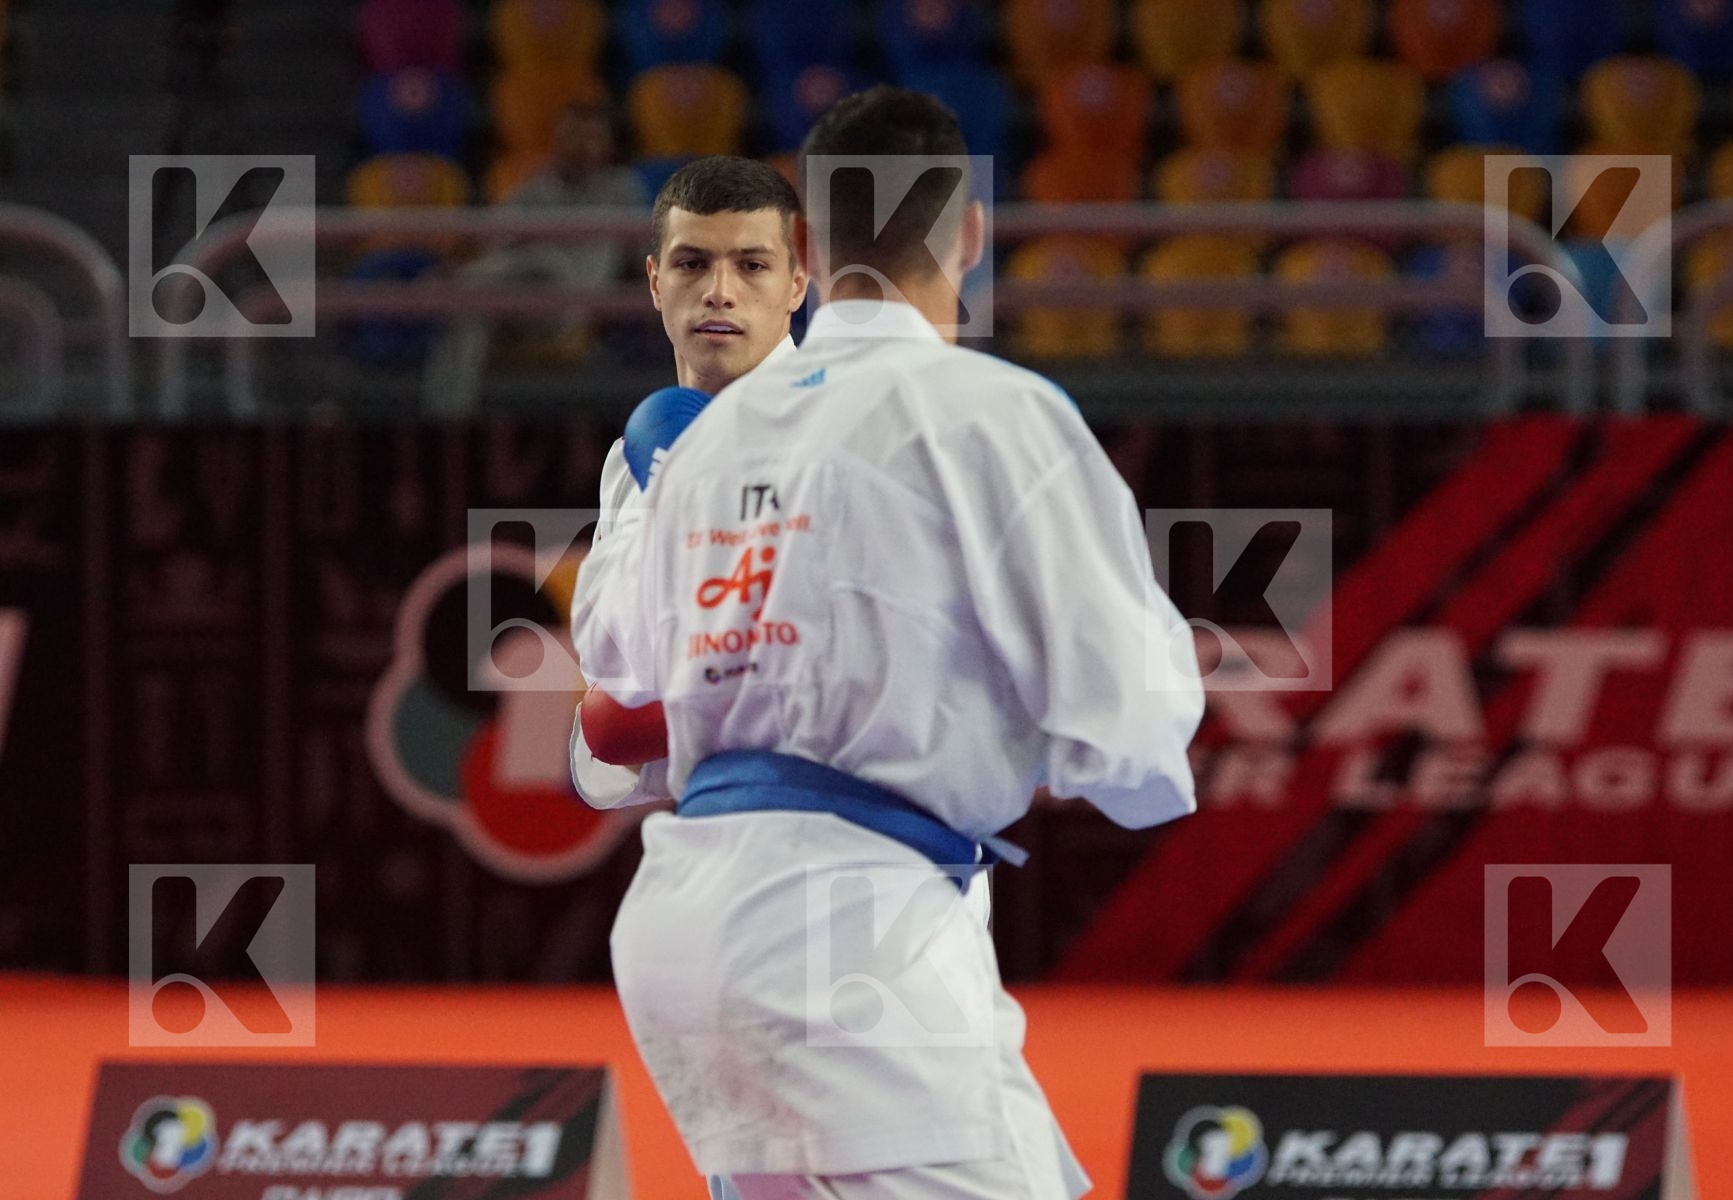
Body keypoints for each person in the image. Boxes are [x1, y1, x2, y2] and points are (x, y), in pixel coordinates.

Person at [576, 87, 1203, 1198]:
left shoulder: (708, 443)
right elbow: (1136, 735)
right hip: (849, 946)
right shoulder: (987, 412)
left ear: (806, 245)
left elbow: (616, 697)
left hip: (693, 924)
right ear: (972, 233)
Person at [568, 156, 809, 809]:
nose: (719, 291)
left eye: (752, 265)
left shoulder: (855, 430)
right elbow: (610, 730)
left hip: (881, 862)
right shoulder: (632, 462)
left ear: (796, 284)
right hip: (725, 847)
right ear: (654, 280)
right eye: (692, 263)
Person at [424, 100, 649, 415]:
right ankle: (446, 417)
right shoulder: (535, 188)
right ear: (558, 140)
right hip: (521, 304)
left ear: (607, 145)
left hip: (569, 308)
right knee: (471, 310)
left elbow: (643, 263)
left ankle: (447, 287)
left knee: (541, 261)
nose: (581, 145)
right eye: (573, 136)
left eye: (591, 137)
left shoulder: (622, 189)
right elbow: (493, 242)